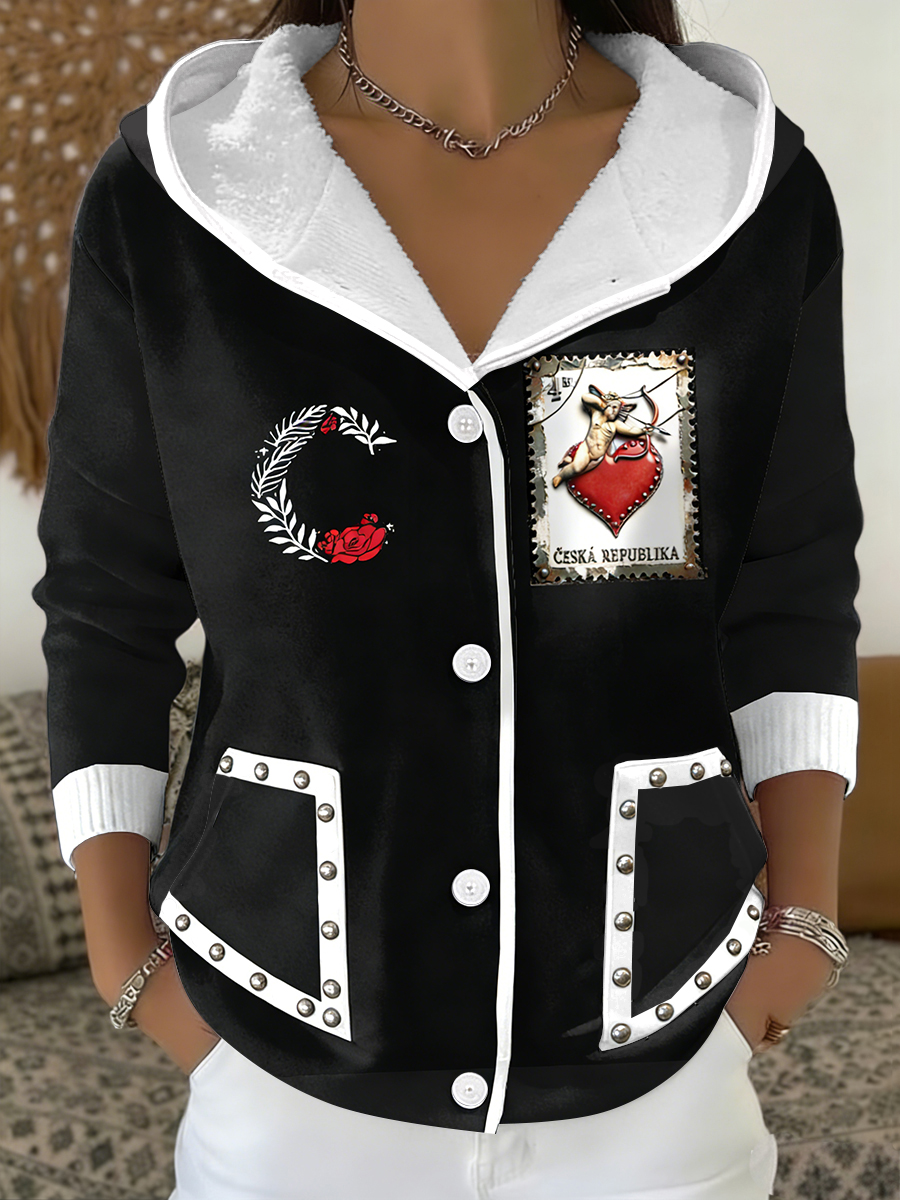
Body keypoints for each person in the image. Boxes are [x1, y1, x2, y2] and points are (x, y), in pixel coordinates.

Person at [31, 0, 861, 1197]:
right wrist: (129, 961)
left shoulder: (742, 190)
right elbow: (106, 600)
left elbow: (793, 580)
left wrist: (803, 929)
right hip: (284, 1073)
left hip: (663, 1067)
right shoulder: (175, 197)